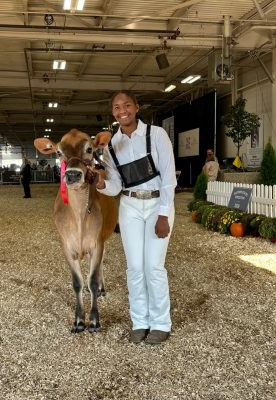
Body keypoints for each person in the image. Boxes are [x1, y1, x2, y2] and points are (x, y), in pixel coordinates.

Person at [95, 90, 177, 345]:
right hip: (129, 205)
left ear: (137, 107)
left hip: (156, 205)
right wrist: (99, 183)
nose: (123, 111)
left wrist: (163, 215)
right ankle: (140, 322)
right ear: (113, 113)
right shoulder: (111, 146)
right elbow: (116, 186)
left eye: (127, 105)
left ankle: (161, 323)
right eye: (117, 107)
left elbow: (168, 178)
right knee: (135, 268)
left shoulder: (157, 135)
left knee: (153, 266)